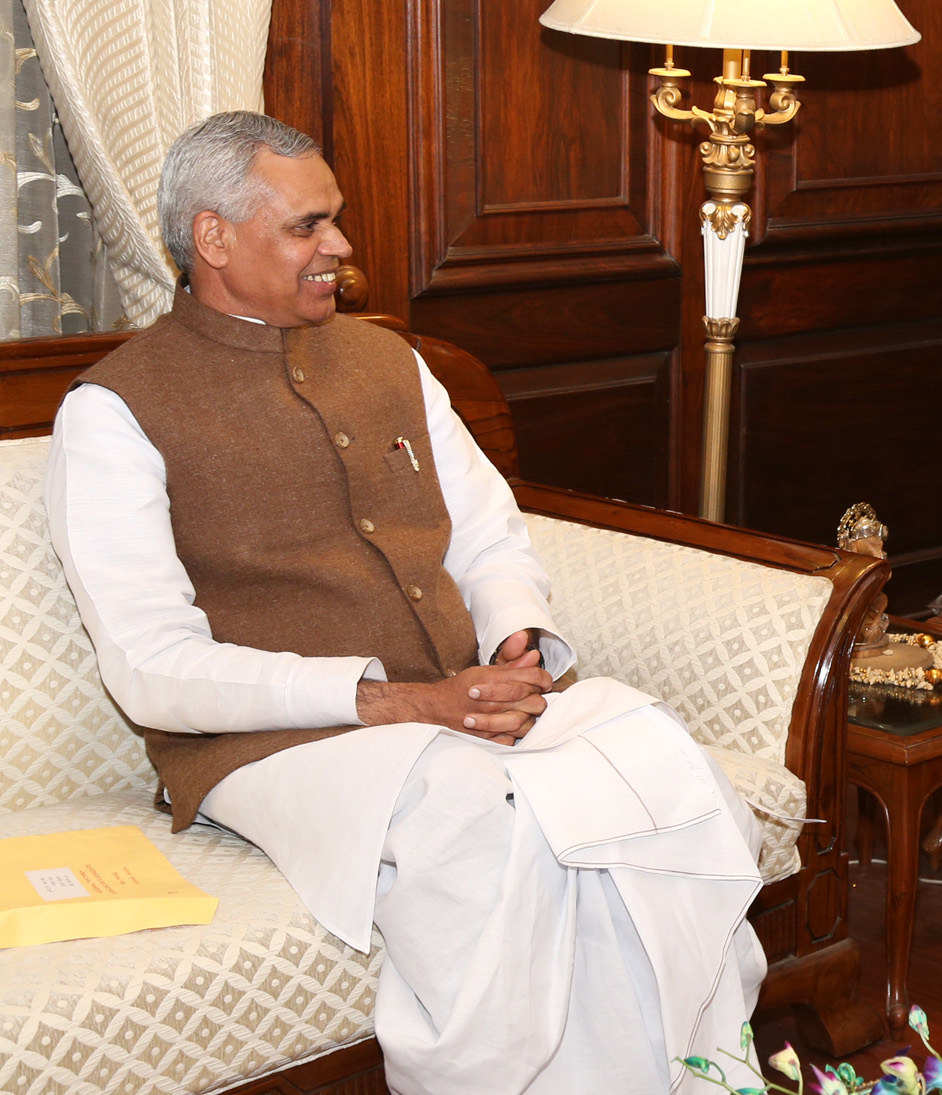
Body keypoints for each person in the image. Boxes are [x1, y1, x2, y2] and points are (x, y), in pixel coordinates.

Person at [45, 111, 768, 1095]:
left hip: (446, 705)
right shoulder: (115, 412)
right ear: (213, 239)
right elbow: (150, 665)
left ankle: (697, 1077)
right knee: (475, 812)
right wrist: (394, 702)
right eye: (307, 226)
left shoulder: (390, 360)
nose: (339, 247)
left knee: (656, 761)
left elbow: (486, 530)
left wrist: (514, 632)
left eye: (334, 220)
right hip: (269, 750)